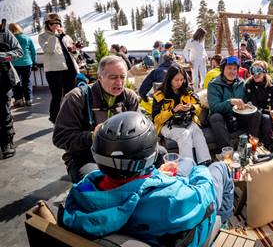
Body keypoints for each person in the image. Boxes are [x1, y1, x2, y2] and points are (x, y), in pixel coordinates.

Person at [61, 111, 233, 246]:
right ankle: (222, 224)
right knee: (219, 168)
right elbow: (205, 194)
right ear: (152, 155)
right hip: (184, 230)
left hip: (141, 203)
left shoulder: (83, 190)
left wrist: (157, 177)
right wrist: (201, 169)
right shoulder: (170, 199)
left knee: (187, 161)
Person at [53, 55, 142, 183]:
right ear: (99, 77)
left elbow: (140, 129)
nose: (119, 82)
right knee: (96, 182)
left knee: (159, 154)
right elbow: (60, 138)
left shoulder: (129, 97)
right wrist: (92, 137)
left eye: (122, 77)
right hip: (86, 156)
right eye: (113, 77)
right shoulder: (76, 98)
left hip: (124, 152)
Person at [152, 64, 211, 164]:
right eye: (176, 80)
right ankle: (187, 165)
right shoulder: (159, 95)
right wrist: (173, 110)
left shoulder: (188, 91)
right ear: (169, 79)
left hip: (186, 121)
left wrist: (191, 107)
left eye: (182, 79)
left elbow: (198, 107)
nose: (179, 83)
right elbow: (156, 119)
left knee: (197, 131)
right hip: (167, 125)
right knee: (184, 134)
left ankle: (205, 162)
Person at [207, 56, 262, 153]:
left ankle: (249, 148)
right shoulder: (213, 84)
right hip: (223, 119)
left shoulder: (242, 83)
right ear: (222, 69)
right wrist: (230, 102)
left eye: (235, 69)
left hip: (238, 117)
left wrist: (248, 104)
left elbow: (247, 101)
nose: (232, 71)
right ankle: (228, 152)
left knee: (256, 113)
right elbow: (214, 107)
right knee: (215, 117)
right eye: (229, 68)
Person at [38, 13, 79, 123]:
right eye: (52, 23)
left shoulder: (66, 36)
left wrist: (75, 49)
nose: (56, 25)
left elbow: (74, 54)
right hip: (54, 70)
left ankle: (70, 117)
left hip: (70, 68)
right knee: (57, 95)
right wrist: (54, 36)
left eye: (58, 23)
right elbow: (49, 50)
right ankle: (54, 118)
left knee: (70, 94)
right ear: (47, 24)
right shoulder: (43, 36)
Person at [0, 20, 23, 158]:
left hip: (3, 78)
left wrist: (1, 56)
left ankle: (7, 143)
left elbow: (18, 52)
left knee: (3, 112)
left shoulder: (4, 32)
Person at [245, 60, 273, 144]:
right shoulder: (249, 84)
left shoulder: (272, 85)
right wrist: (268, 112)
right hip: (254, 113)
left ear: (264, 72)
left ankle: (269, 145)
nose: (255, 74)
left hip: (268, 112)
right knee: (266, 119)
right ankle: (257, 144)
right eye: (253, 71)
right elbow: (253, 105)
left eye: (258, 71)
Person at [10, 23, 36, 107]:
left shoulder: (10, 39)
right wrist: (34, 62)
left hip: (14, 63)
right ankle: (28, 100)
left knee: (16, 82)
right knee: (26, 81)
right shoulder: (27, 37)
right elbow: (33, 51)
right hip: (27, 63)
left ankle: (19, 100)